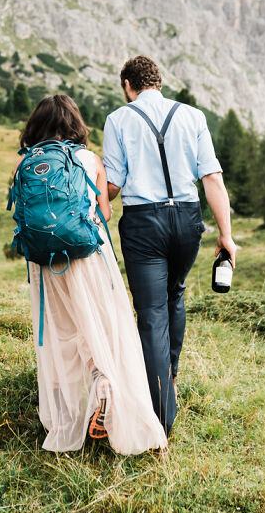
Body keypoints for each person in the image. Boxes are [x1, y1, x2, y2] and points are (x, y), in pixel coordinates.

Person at [12, 94, 167, 456]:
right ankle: (106, 386)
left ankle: (69, 419)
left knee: (63, 333)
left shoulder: (25, 164)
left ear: (37, 124)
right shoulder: (89, 159)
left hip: (45, 266)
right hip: (88, 258)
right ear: (75, 123)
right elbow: (105, 214)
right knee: (103, 326)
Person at [102, 56, 236, 437]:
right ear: (158, 82)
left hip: (145, 222)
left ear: (129, 85)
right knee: (174, 295)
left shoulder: (119, 119)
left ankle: (159, 415)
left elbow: (113, 183)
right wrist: (225, 235)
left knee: (151, 313)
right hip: (188, 220)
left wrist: (95, 195)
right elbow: (211, 178)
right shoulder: (193, 116)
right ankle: (170, 379)